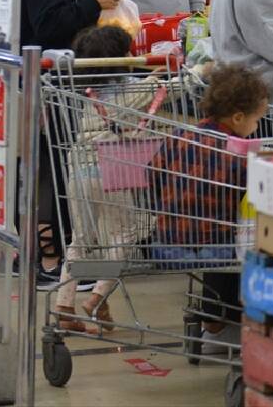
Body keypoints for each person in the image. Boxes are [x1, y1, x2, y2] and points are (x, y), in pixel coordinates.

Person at [21, 0, 120, 284]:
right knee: (54, 166)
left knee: (51, 164)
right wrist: (92, 4)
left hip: (52, 84)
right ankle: (53, 257)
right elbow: (49, 25)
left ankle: (51, 254)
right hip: (50, 84)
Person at [150, 63, 268, 355]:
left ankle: (214, 321)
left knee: (219, 237)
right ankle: (224, 325)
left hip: (166, 241)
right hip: (212, 245)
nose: (256, 129)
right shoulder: (234, 156)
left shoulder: (179, 136)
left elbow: (152, 174)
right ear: (239, 117)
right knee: (248, 246)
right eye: (256, 121)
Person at [53, 25, 162, 334]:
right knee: (125, 233)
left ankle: (64, 303)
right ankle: (99, 295)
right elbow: (166, 87)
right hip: (114, 168)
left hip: (79, 167)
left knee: (81, 240)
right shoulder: (131, 88)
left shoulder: (89, 90)